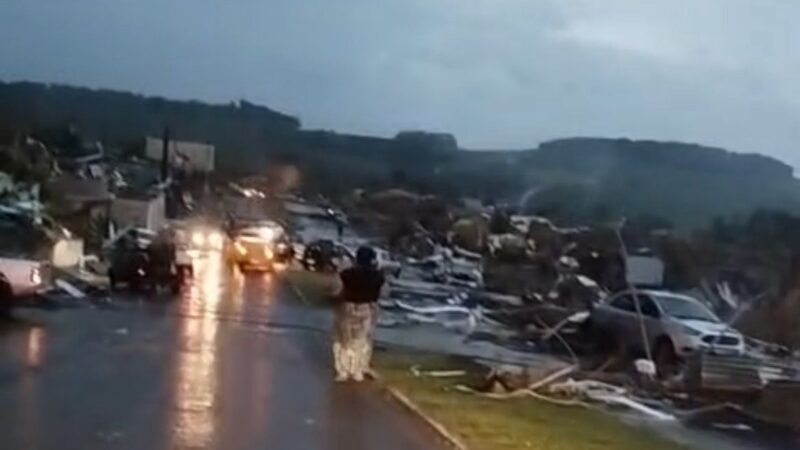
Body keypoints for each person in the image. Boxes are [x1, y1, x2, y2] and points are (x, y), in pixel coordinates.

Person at [331, 246, 386, 382]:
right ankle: (357, 371)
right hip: (368, 308)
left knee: (342, 339)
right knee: (362, 340)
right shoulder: (379, 276)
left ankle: (343, 371)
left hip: (347, 308)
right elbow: (385, 293)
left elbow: (336, 290)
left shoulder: (346, 274)